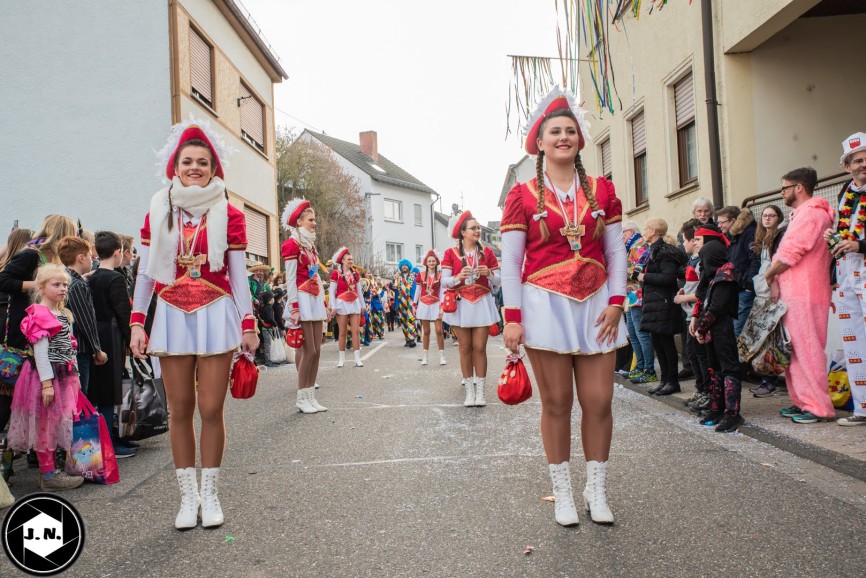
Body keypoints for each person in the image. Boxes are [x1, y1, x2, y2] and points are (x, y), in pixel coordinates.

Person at [501, 86, 626, 526]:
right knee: (556, 403)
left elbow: (616, 253)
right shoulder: (521, 194)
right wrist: (512, 319)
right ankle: (564, 492)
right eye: (554, 131)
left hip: (596, 305)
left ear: (580, 139)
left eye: (570, 130)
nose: (563, 137)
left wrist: (617, 301)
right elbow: (512, 261)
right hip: (543, 307)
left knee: (599, 400)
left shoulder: (603, 190)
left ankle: (596, 489)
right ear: (539, 141)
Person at [129, 121, 259, 529]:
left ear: (213, 167)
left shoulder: (231, 214)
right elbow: (147, 275)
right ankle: (188, 499)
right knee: (180, 408)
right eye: (188, 161)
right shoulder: (158, 208)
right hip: (171, 315)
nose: (195, 167)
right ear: (176, 165)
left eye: (203, 162)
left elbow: (238, 277)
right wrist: (137, 322)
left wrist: (249, 322)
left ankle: (211, 493)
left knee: (211, 408)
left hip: (217, 314)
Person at [765, 167, 835, 424]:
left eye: (784, 187)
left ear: (798, 188)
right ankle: (803, 401)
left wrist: (769, 275)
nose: (781, 193)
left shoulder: (812, 215)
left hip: (805, 292)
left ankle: (818, 407)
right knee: (794, 351)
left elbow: (790, 253)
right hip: (796, 292)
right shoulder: (803, 215)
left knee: (808, 350)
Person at [6, 264, 84, 490]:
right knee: (45, 424)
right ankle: (48, 474)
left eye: (65, 285)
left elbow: (70, 347)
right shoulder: (40, 314)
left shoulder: (63, 313)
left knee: (55, 422)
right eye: (56, 284)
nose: (63, 289)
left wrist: (75, 373)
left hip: (63, 373)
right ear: (41, 288)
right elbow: (40, 353)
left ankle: (52, 470)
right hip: (45, 377)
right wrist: (47, 384)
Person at [0, 217, 77, 435]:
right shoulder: (31, 255)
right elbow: (3, 280)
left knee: (40, 389)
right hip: (23, 329)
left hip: (45, 327)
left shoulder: (53, 258)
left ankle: (37, 449)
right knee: (12, 392)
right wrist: (40, 285)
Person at [824, 133, 866, 426]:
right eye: (858, 160)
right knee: (853, 345)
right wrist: (834, 238)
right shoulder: (845, 192)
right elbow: (846, 233)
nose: (863, 164)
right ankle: (862, 409)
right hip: (846, 272)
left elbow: (857, 240)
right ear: (847, 166)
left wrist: (859, 246)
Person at [441, 210, 500, 407]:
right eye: (473, 228)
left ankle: (481, 392)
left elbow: (500, 281)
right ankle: (469, 393)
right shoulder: (450, 253)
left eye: (478, 228)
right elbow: (444, 283)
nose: (477, 231)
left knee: (480, 348)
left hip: (482, 301)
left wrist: (490, 274)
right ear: (463, 232)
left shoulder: (488, 253)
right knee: (465, 348)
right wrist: (458, 277)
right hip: (461, 303)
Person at [689, 224, 743, 432]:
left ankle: (732, 413)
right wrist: (701, 327)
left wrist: (701, 328)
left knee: (729, 367)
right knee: (716, 369)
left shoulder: (725, 276)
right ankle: (717, 408)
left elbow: (716, 307)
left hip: (722, 329)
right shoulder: (714, 276)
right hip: (712, 330)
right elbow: (705, 303)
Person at [88, 231, 135, 458]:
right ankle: (110, 443)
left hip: (94, 334)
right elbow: (124, 313)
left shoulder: (90, 276)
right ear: (118, 252)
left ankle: (108, 439)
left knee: (98, 389)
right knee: (110, 390)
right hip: (112, 333)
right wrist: (132, 341)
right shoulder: (115, 278)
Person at [281, 198, 328, 413]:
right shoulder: (291, 244)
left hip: (315, 298)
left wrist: (324, 301)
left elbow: (315, 275)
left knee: (317, 351)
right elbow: (290, 279)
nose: (314, 223)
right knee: (308, 351)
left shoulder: (311, 246)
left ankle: (310, 396)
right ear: (299, 221)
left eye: (314, 219)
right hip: (301, 298)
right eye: (310, 220)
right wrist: (294, 308)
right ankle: (301, 397)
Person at [638, 218, 687, 396]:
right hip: (655, 303)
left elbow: (668, 277)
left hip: (663, 303)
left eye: (647, 228)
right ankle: (664, 380)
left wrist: (645, 277)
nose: (644, 231)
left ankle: (672, 381)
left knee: (666, 344)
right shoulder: (653, 250)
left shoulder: (664, 252)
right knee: (658, 342)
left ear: (654, 231)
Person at [57, 236, 106, 395]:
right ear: (81, 258)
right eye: (91, 256)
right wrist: (97, 350)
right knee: (79, 396)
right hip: (80, 351)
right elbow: (86, 322)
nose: (94, 260)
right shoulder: (77, 285)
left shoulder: (67, 280)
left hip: (70, 349)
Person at [748, 205, 786, 398]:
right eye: (765, 215)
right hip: (761, 293)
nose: (768, 219)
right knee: (762, 340)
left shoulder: (780, 236)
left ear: (779, 218)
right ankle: (766, 379)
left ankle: (770, 381)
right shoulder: (762, 239)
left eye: (772, 215)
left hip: (773, 294)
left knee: (771, 340)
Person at [676, 220, 710, 410]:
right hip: (690, 314)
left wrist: (685, 298)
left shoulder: (702, 261)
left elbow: (701, 291)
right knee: (693, 354)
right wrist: (684, 293)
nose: (685, 244)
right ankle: (701, 390)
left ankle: (706, 391)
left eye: (685, 240)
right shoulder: (692, 260)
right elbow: (692, 285)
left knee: (700, 356)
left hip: (696, 314)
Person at [715, 205, 760, 337]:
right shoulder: (734, 235)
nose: (719, 225)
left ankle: (739, 358)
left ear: (733, 221)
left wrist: (748, 285)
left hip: (745, 289)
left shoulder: (748, 233)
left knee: (738, 331)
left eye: (722, 222)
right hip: (738, 287)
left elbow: (755, 260)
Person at [622, 221, 654, 384]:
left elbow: (637, 271)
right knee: (633, 333)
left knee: (640, 333)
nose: (621, 237)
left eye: (623, 233)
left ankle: (648, 369)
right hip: (630, 296)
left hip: (638, 294)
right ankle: (639, 366)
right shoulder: (630, 246)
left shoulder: (639, 244)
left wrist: (621, 273)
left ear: (631, 231)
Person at [329, 247, 365, 368]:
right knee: (342, 332)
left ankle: (357, 358)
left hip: (354, 302)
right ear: (343, 261)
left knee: (355, 331)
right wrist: (333, 307)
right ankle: (341, 359)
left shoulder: (355, 274)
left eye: (352, 259)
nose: (351, 261)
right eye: (349, 259)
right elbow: (332, 291)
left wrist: (363, 305)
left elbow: (359, 291)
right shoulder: (336, 274)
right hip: (341, 304)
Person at [414, 250, 446, 366]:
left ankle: (442, 356)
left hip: (436, 303)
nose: (431, 263)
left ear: (436, 262)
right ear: (426, 263)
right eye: (429, 261)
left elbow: (442, 291)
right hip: (423, 303)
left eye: (433, 261)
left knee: (438, 330)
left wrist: (442, 306)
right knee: (426, 331)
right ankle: (425, 357)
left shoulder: (440, 275)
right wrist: (414, 303)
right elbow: (418, 290)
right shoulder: (421, 275)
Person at [391, 260, 418, 347]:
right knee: (403, 321)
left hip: (410, 301)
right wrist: (393, 279)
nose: (404, 267)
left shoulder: (414, 275)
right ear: (400, 267)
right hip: (400, 301)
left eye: (406, 265)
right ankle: (407, 338)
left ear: (409, 267)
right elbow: (393, 288)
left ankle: (412, 339)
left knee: (411, 319)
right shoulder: (397, 276)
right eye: (403, 265)